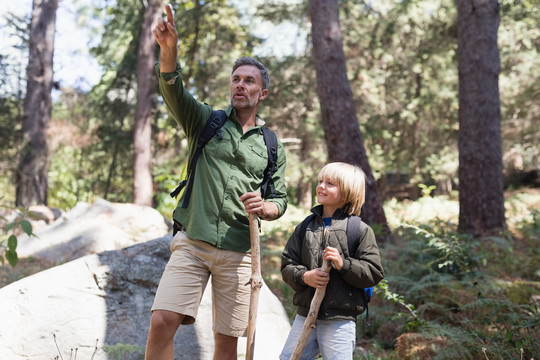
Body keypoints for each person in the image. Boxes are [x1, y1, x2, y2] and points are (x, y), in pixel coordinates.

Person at [145, 4, 288, 360]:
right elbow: (174, 91)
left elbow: (280, 199)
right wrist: (169, 51)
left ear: (262, 93)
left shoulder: (271, 144)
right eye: (236, 79)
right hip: (193, 241)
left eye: (249, 80)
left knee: (227, 342)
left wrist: (266, 207)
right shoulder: (206, 121)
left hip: (240, 252)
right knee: (162, 319)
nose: (240, 85)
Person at [279, 162, 384, 360]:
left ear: (347, 192)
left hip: (339, 320)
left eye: (330, 183)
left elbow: (373, 272)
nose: (321, 186)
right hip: (306, 314)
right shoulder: (305, 227)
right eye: (320, 181)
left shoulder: (358, 230)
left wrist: (344, 264)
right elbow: (287, 265)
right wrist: (305, 276)